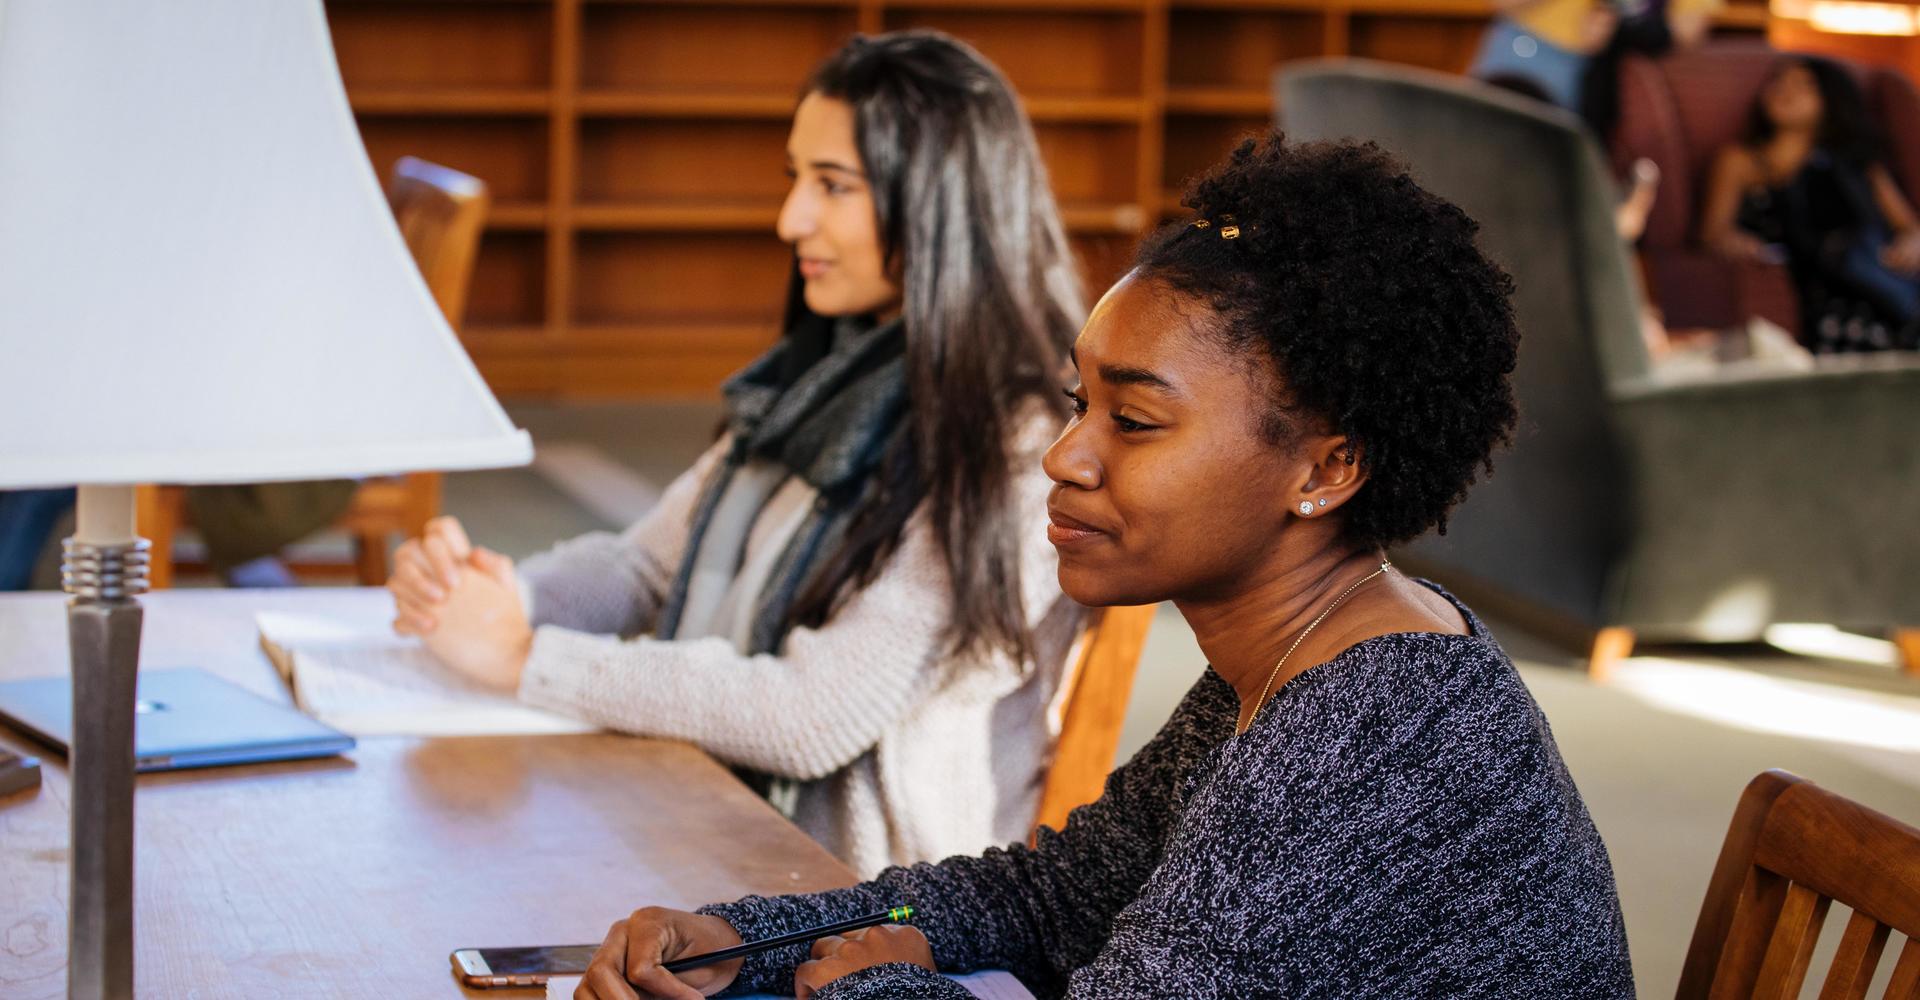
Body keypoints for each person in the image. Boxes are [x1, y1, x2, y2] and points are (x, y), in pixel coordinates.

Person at [571, 135, 1634, 1000]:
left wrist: (866, 987)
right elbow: (1048, 905)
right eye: (1083, 406)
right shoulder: (1296, 659)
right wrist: (741, 937)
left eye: (1134, 418)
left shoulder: (1369, 732)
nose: (1066, 455)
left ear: (1328, 466)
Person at [385, 31, 1087, 876]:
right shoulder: (828, 372)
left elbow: (814, 714)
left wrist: (523, 656)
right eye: (794, 179)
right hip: (703, 816)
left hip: (867, 902)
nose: (790, 218)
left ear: (938, 202)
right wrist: (504, 596)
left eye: (832, 186)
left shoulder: (1021, 441)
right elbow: (644, 570)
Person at [1700, 55, 1920, 352]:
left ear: (1831, 101)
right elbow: (1714, 232)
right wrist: (1741, 245)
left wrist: (1911, 243)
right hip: (1820, 290)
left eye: (1804, 85)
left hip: (1879, 279)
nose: (1785, 91)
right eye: (1778, 81)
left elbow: (1909, 226)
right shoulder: (1740, 161)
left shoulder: (1855, 163)